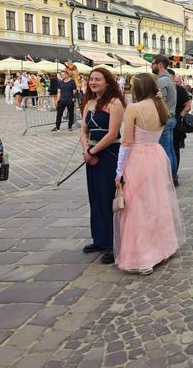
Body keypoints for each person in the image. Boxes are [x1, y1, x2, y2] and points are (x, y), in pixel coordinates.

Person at [113, 73, 186, 275]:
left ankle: (144, 256)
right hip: (156, 156)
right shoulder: (159, 106)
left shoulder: (134, 109)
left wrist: (119, 170)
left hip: (138, 158)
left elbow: (126, 142)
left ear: (138, 88)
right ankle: (164, 247)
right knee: (157, 202)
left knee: (137, 206)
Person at [80, 68, 126, 265]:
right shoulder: (88, 102)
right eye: (91, 79)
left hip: (108, 155)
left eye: (98, 79)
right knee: (95, 197)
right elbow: (83, 130)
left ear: (107, 82)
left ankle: (112, 243)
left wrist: (93, 151)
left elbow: (113, 134)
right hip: (91, 155)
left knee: (108, 198)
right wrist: (86, 151)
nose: (93, 82)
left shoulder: (115, 103)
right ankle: (99, 238)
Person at [151, 55, 178, 183]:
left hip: (165, 118)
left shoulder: (162, 80)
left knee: (165, 151)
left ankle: (169, 178)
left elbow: (162, 102)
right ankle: (173, 176)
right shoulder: (169, 78)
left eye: (153, 63)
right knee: (171, 150)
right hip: (171, 117)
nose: (152, 66)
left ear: (159, 65)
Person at [171, 71, 191, 181]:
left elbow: (188, 106)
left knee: (174, 148)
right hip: (171, 122)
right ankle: (173, 174)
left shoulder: (180, 90)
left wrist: (180, 116)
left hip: (175, 122)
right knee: (173, 149)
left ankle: (174, 174)